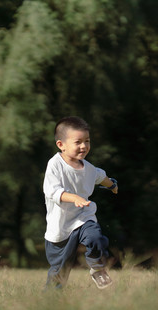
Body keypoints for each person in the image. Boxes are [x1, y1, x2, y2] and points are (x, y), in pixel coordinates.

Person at [43, 116, 118, 289]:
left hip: (83, 218)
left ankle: (97, 269)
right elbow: (52, 191)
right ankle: (50, 302)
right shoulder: (55, 165)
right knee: (59, 272)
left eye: (87, 141)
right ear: (61, 144)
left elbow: (101, 177)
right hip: (60, 227)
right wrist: (74, 197)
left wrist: (112, 185)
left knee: (96, 237)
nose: (84, 146)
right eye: (78, 142)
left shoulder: (89, 168)